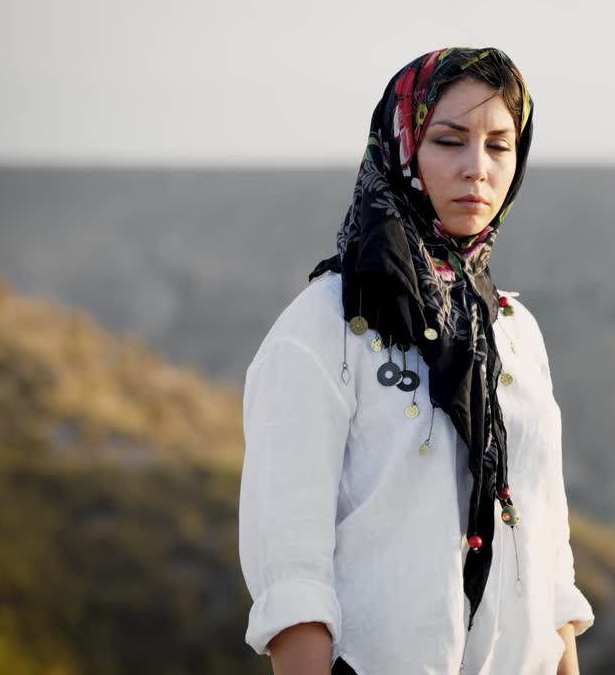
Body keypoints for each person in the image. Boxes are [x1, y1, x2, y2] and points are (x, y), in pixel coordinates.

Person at [237, 47, 594, 675]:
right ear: (401, 146)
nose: (476, 169)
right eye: (449, 141)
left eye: (499, 146)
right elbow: (292, 574)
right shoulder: (323, 329)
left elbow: (547, 549)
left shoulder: (513, 331)